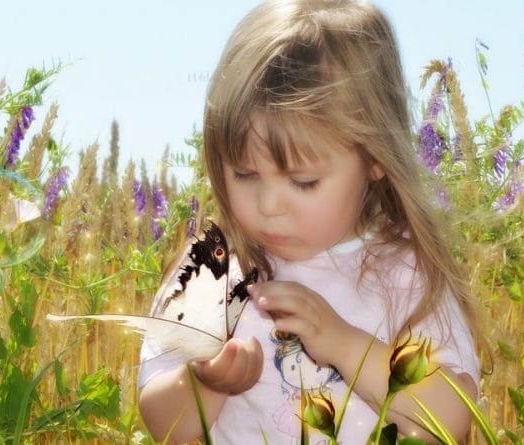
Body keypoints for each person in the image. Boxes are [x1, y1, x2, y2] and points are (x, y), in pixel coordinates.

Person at [138, 0, 482, 443]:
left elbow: (451, 420)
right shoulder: (215, 268)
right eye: (244, 174)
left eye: (303, 181)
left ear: (375, 156)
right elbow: (162, 422)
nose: (268, 206)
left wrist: (344, 344)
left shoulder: (403, 270)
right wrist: (207, 382)